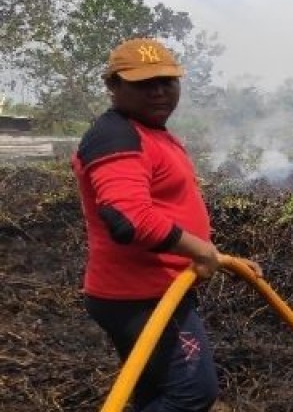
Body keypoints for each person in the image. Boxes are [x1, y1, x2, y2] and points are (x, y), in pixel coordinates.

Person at [74, 37, 262, 412]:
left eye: (167, 81)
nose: (159, 91)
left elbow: (168, 210)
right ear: (113, 86)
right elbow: (127, 217)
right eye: (144, 83)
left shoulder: (151, 132)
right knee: (192, 393)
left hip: (157, 288)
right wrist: (198, 249)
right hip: (141, 296)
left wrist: (221, 258)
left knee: (153, 394)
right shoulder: (116, 136)